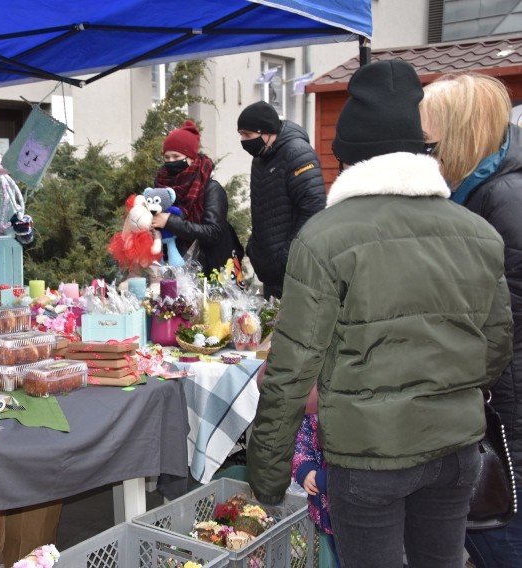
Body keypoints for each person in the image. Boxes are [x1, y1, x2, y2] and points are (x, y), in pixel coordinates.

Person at [246, 60, 514, 568]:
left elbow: (290, 369)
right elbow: (495, 348)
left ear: (345, 157)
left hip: (368, 457)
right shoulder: (478, 232)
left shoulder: (325, 238)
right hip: (454, 447)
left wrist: (267, 473)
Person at [420, 72, 522, 568]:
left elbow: (499, 328)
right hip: (497, 405)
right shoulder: (482, 193)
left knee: (499, 533)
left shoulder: (499, 201)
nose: (425, 153)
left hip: (507, 413)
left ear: (460, 136)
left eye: (431, 141)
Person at [237, 101, 326, 299]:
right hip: (271, 271)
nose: (243, 141)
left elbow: (314, 208)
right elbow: (262, 207)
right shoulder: (261, 157)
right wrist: (256, 248)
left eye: (248, 135)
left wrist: (287, 255)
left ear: (267, 132)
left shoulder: (297, 154)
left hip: (293, 270)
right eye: (241, 134)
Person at [151, 119, 242, 276]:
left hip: (212, 270)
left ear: (191, 157)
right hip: (176, 269)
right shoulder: (161, 188)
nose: (171, 162)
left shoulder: (211, 189)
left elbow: (213, 232)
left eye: (176, 156)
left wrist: (170, 222)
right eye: (167, 157)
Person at [292, 411, 340, 568]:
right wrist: (304, 471)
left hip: (356, 510)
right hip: (327, 511)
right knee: (338, 556)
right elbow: (300, 445)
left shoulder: (349, 414)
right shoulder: (310, 414)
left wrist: (323, 479)